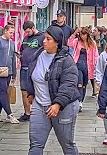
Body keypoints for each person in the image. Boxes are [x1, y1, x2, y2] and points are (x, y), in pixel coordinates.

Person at [26, 26, 80, 154]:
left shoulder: (66, 60)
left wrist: (57, 104)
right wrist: (30, 92)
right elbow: (30, 74)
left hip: (63, 107)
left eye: (48, 39)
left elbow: (69, 84)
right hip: (40, 105)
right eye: (44, 38)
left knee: (67, 144)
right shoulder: (38, 54)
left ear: (57, 42)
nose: (44, 41)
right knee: (35, 145)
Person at [0, 24, 18, 123]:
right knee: (3, 91)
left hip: (8, 72)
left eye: (13, 33)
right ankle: (10, 114)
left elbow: (13, 58)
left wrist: (14, 73)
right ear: (5, 31)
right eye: (10, 32)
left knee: (2, 91)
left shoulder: (12, 43)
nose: (11, 35)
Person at [18, 21, 44, 122]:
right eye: (26, 32)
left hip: (35, 68)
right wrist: (20, 55)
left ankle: (37, 112)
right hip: (24, 67)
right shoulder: (25, 38)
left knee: (37, 90)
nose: (27, 34)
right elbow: (22, 49)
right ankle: (27, 113)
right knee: (24, 91)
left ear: (33, 28)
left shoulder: (41, 37)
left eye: (28, 31)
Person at [67, 26, 98, 111]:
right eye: (81, 34)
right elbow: (69, 43)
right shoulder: (77, 41)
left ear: (87, 35)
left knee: (84, 85)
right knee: (79, 84)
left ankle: (81, 101)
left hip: (88, 67)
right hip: (77, 65)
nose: (83, 36)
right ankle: (79, 102)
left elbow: (95, 56)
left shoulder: (92, 43)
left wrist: (95, 66)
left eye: (84, 35)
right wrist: (75, 32)